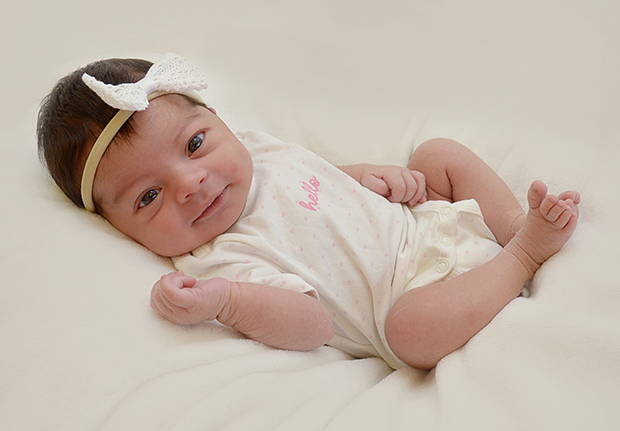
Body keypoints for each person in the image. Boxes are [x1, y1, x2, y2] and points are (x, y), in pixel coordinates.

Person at [37, 54, 580, 370]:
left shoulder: (257, 150)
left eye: (195, 144)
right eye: (148, 197)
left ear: (218, 118)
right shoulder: (217, 261)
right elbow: (311, 324)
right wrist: (227, 302)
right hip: (423, 298)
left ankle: (513, 224)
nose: (190, 183)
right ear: (117, 228)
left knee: (437, 153)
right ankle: (525, 254)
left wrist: (369, 177)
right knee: (408, 332)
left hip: (426, 225)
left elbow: (319, 180)